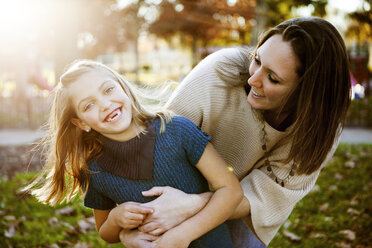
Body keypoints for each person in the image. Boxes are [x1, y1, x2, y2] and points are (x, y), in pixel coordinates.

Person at [119, 17, 351, 247]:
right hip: (174, 189)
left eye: (273, 78)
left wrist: (192, 205)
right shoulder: (218, 73)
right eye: (257, 60)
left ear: (307, 93)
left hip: (240, 211)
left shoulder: (319, 132)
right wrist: (132, 226)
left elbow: (263, 197)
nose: (253, 79)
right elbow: (159, 151)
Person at [26, 60, 243, 248]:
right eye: (89, 105)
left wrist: (183, 234)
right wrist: (116, 219)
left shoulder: (177, 130)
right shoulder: (94, 169)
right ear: (81, 123)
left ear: (123, 86)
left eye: (108, 90)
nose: (105, 104)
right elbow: (105, 232)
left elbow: (231, 191)